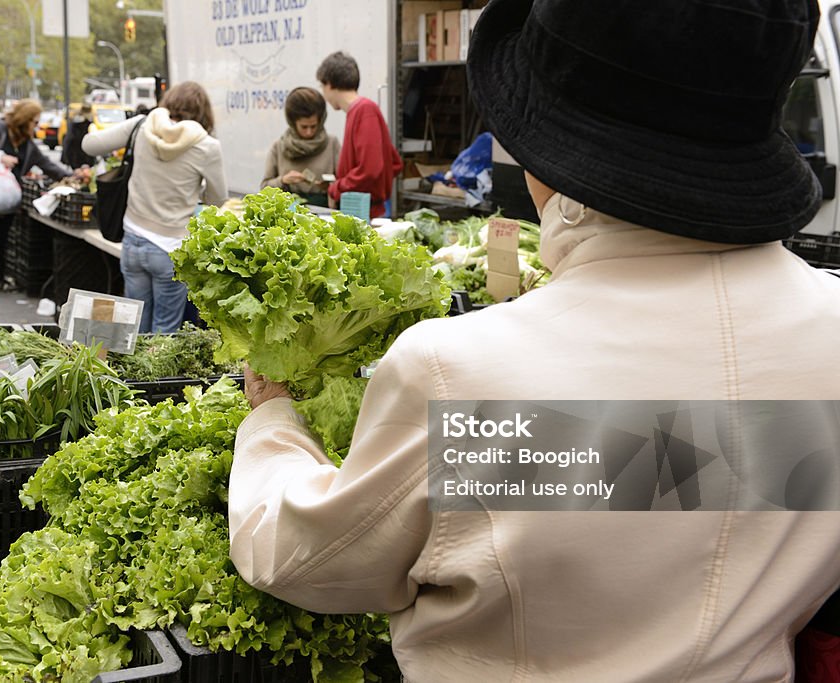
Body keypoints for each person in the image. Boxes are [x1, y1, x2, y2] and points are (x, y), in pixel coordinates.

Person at [228, 1, 840, 681]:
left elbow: (306, 559)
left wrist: (270, 421)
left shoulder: (462, 372)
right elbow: (691, 469)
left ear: (554, 155)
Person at [82, 81, 227, 334]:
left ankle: (129, 375)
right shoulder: (207, 146)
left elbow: (89, 145)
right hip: (170, 249)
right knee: (164, 334)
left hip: (133, 242)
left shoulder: (141, 126)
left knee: (133, 328)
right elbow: (217, 201)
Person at [0, 99, 83, 297]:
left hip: (10, 198)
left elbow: (47, 165)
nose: (36, 126)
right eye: (34, 121)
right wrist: (1, 158)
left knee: (1, 240)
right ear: (25, 119)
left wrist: (72, 176)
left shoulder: (27, 143)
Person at [316, 51, 401, 218]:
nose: (324, 95)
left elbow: (370, 169)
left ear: (329, 84)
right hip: (370, 209)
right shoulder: (361, 110)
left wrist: (337, 188)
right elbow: (393, 162)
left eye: (322, 87)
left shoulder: (364, 111)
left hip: (367, 211)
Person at [260, 87, 340, 208]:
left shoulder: (332, 144)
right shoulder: (279, 147)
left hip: (324, 214)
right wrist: (283, 180)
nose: (309, 132)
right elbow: (264, 188)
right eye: (303, 127)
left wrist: (330, 186)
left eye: (313, 126)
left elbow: (345, 184)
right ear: (292, 123)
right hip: (288, 214)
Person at [60, 102, 97, 170]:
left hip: (76, 153)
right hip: (83, 152)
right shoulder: (88, 122)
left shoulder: (75, 122)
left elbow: (69, 139)